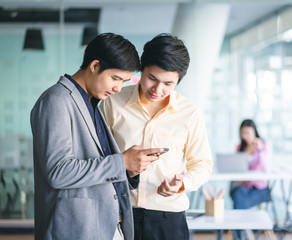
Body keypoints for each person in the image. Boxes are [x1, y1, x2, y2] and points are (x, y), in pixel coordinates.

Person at [30, 33, 164, 240]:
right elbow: (59, 172)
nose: (118, 88)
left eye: (124, 81)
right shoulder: (56, 100)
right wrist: (122, 162)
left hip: (106, 225)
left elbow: (99, 167)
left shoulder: (92, 102)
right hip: (76, 228)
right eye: (115, 78)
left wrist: (129, 169)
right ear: (94, 66)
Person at [100, 33, 213, 240]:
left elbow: (202, 163)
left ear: (179, 80)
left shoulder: (190, 113)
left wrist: (182, 184)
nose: (157, 89)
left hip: (168, 218)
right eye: (152, 78)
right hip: (120, 214)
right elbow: (98, 157)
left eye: (168, 83)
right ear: (142, 67)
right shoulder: (112, 102)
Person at [230, 119, 272, 239]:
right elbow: (236, 167)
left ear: (255, 132)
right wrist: (246, 153)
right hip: (244, 187)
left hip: (260, 189)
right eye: (243, 133)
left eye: (248, 133)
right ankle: (245, 230)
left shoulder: (264, 145)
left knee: (238, 202)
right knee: (238, 194)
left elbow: (266, 168)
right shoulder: (240, 147)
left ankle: (240, 234)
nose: (245, 136)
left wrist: (261, 151)